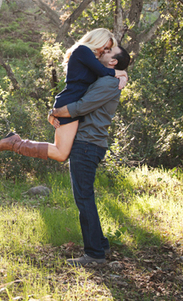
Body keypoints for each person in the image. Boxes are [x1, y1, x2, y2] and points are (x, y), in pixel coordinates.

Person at [49, 45, 131, 266]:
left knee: (84, 198)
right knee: (85, 196)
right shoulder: (106, 77)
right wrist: (121, 74)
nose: (102, 53)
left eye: (108, 53)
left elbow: (80, 107)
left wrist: (54, 112)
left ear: (113, 62)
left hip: (87, 144)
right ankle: (100, 244)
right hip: (87, 142)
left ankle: (94, 254)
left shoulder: (107, 82)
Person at [0, 29, 128, 161]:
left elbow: (104, 70)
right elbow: (102, 71)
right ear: (97, 40)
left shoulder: (90, 57)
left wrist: (121, 74)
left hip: (73, 104)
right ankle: (14, 143)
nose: (105, 52)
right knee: (60, 153)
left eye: (108, 50)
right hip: (69, 103)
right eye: (106, 48)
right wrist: (121, 74)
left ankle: (14, 142)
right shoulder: (82, 50)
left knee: (63, 152)